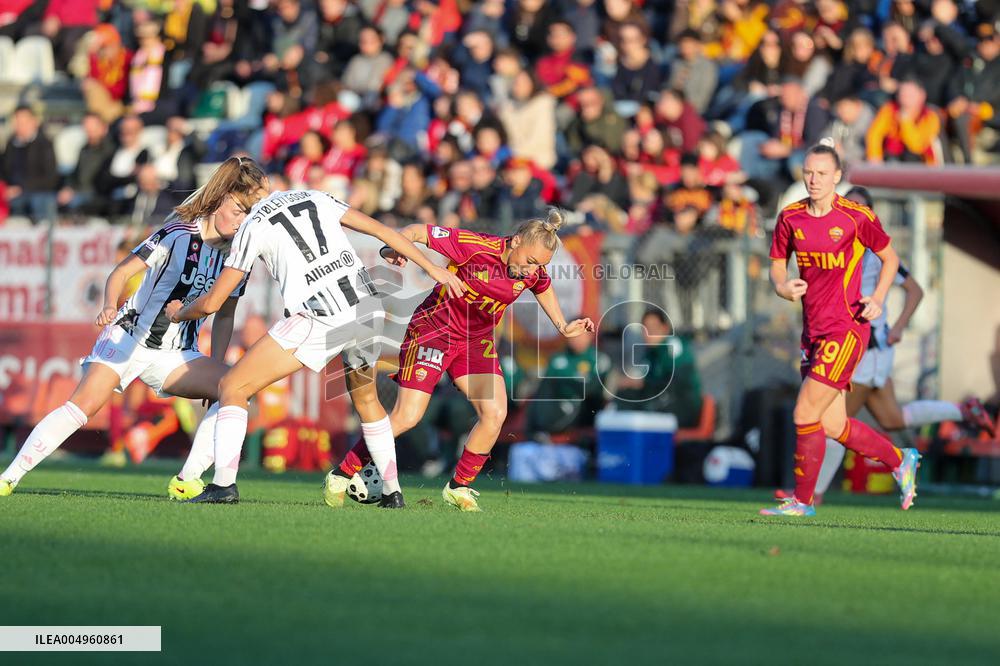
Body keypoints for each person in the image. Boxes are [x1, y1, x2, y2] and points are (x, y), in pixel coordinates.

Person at [166, 190, 465, 506]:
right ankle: (393, 492)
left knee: (232, 385)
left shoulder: (253, 222)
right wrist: (434, 269)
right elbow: (383, 231)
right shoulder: (313, 195)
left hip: (322, 314)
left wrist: (179, 313)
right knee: (366, 399)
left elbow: (214, 302)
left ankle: (223, 485)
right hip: (366, 309)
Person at [0, 157, 270, 497]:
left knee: (235, 386)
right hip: (129, 337)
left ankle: (187, 480)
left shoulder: (236, 257)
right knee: (82, 407)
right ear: (218, 202)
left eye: (249, 214)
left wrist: (217, 366)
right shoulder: (176, 234)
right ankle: (9, 477)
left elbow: (225, 315)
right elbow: (122, 272)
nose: (242, 220)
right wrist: (110, 305)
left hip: (175, 353)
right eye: (238, 210)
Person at [328, 210, 595, 512]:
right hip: (434, 333)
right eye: (531, 262)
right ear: (516, 241)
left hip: (475, 343)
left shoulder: (531, 271)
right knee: (407, 417)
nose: (532, 271)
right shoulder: (474, 246)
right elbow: (417, 230)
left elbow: (542, 286)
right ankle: (342, 473)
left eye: (540, 265)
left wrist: (562, 325)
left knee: (494, 413)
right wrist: (393, 247)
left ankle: (458, 486)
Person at [776, 186, 996, 503]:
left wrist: (898, 326)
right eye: (848, 204)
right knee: (889, 418)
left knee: (829, 420)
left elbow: (915, 289)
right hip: (851, 344)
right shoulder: (834, 244)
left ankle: (814, 494)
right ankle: (961, 412)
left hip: (864, 347)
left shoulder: (873, 252)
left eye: (860, 207)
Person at [760, 140, 921, 517]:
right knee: (832, 424)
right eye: (808, 173)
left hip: (846, 329)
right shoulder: (790, 217)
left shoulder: (854, 216)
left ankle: (802, 502)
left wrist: (878, 297)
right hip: (812, 332)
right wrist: (782, 287)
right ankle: (900, 459)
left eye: (821, 173)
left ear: (837, 177)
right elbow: (777, 264)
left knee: (804, 414)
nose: (814, 180)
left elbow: (890, 258)